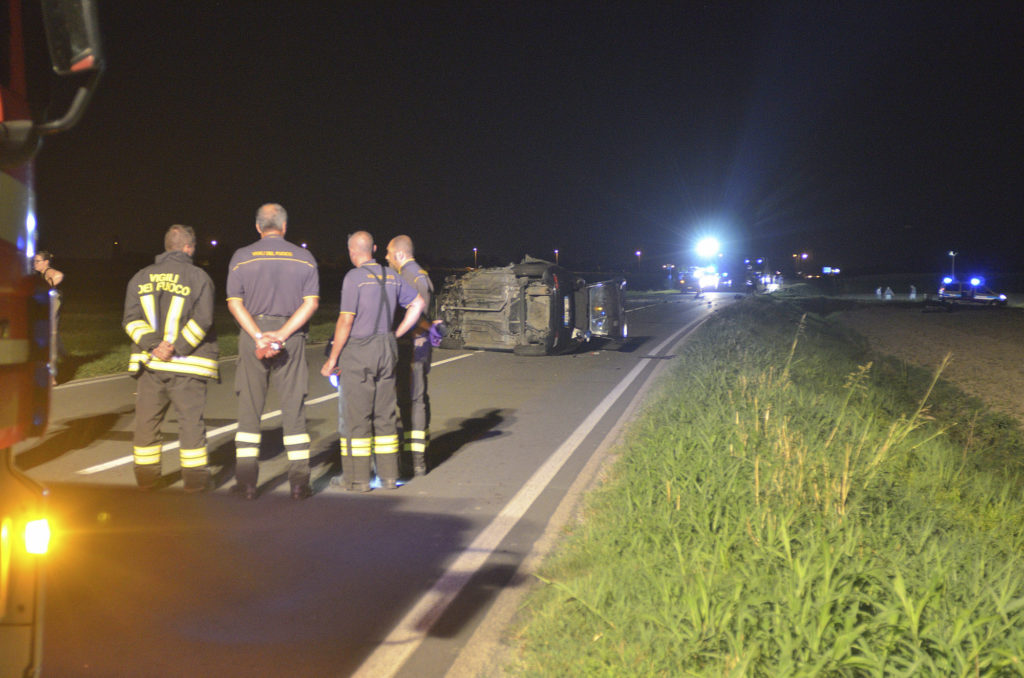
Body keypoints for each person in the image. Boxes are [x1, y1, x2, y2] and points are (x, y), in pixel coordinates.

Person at [226, 204, 319, 500]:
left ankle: (247, 483)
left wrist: (257, 336)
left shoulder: (241, 257)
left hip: (253, 336)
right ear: (285, 226)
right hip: (289, 338)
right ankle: (299, 483)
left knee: (249, 409)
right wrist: (282, 335)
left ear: (257, 227)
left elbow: (234, 303)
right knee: (294, 408)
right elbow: (311, 303)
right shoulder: (304, 258)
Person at [321, 231, 425, 491]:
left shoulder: (353, 278)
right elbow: (418, 303)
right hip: (386, 347)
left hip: (359, 351)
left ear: (352, 251)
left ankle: (357, 479)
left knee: (357, 418)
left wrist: (332, 358)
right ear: (374, 248)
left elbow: (345, 320)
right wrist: (397, 333)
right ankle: (389, 477)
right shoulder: (392, 276)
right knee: (385, 415)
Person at [122, 225, 219, 491]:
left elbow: (130, 321)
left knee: (146, 423)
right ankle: (195, 483)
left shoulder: (139, 277)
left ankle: (147, 480)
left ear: (166, 246)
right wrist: (176, 347)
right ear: (189, 247)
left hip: (151, 365)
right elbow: (204, 320)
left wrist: (155, 346)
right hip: (189, 366)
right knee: (190, 423)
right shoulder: (199, 277)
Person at [385, 235, 434, 477]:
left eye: (389, 253)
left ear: (400, 254)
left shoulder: (410, 276)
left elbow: (420, 317)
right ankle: (415, 455)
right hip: (415, 347)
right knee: (411, 400)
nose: (386, 258)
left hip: (412, 348)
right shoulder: (417, 274)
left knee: (413, 401)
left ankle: (416, 460)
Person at [33, 250, 64, 383]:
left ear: (46, 262)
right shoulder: (40, 275)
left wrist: (49, 286)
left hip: (49, 318)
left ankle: (51, 377)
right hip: (43, 317)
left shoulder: (48, 272)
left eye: (37, 261)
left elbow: (58, 275)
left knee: (49, 343)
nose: (34, 263)